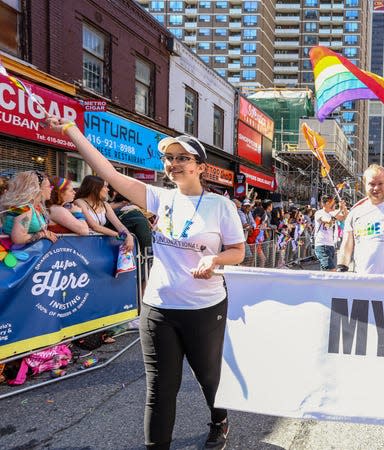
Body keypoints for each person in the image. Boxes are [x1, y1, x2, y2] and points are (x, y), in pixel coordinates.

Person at [45, 116, 245, 450]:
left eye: (182, 158)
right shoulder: (158, 197)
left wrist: (215, 259)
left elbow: (237, 251)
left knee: (208, 376)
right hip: (157, 309)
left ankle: (219, 420)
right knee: (161, 388)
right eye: (169, 158)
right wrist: (70, 130)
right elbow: (108, 174)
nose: (174, 163)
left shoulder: (220, 206)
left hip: (203, 307)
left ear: (200, 167)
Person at [74, 175, 135, 253]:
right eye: (105, 186)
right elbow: (95, 226)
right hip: (83, 245)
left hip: (98, 245)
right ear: (95, 188)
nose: (108, 189)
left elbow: (119, 225)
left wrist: (129, 236)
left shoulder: (105, 204)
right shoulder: (79, 202)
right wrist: (120, 236)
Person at [0, 171, 58, 244]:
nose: (51, 189)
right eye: (49, 186)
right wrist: (42, 234)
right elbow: (18, 238)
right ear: (37, 188)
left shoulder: (35, 207)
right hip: (13, 253)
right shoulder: (25, 208)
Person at [313, 194, 347, 271]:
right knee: (332, 270)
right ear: (328, 203)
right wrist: (339, 210)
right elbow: (328, 221)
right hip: (322, 245)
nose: (335, 204)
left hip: (331, 246)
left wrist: (344, 208)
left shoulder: (333, 213)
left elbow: (345, 217)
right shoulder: (319, 213)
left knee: (325, 272)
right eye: (333, 203)